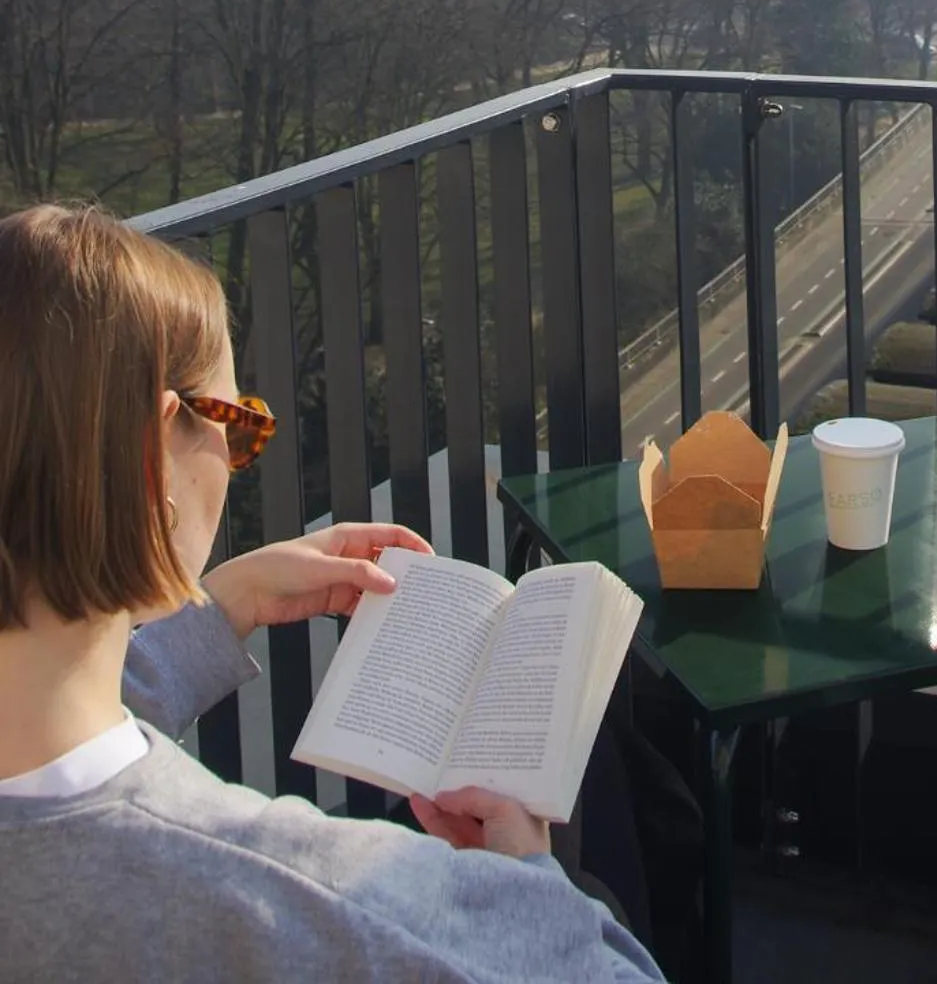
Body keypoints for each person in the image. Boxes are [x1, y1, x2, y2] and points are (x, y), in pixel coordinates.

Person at [0, 203, 662, 984]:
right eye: (240, 426)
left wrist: (222, 606)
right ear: (153, 456)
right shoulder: (295, 896)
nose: (240, 454)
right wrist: (528, 882)